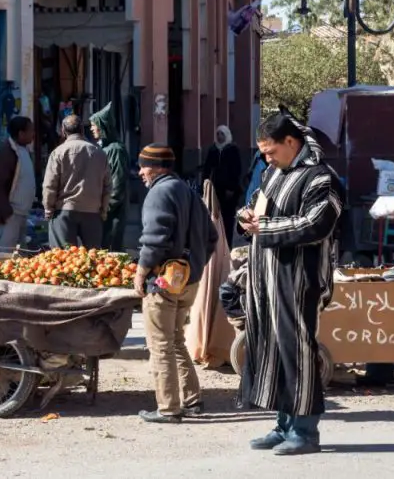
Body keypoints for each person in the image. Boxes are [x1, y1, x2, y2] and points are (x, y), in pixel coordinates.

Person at [238, 109, 343, 456]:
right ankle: (283, 424)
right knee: (275, 349)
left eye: (270, 151)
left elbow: (317, 225)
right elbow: (256, 203)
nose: (266, 158)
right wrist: (247, 216)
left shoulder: (320, 178)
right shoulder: (274, 173)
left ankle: (305, 431)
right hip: (268, 278)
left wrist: (264, 229)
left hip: (300, 280)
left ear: (291, 142)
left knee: (298, 351)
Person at [134, 144, 219, 423]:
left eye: (143, 167)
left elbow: (155, 239)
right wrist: (193, 268)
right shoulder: (186, 190)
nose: (140, 173)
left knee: (160, 345)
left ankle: (168, 408)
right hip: (188, 283)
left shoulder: (159, 192)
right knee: (176, 342)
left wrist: (141, 272)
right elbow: (211, 237)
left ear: (157, 168)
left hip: (163, 283)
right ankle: (192, 399)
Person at [42, 114, 110, 250]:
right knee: (94, 260)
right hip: (92, 213)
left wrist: (48, 208)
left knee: (63, 260)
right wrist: (103, 210)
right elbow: (107, 185)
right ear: (82, 130)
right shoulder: (100, 153)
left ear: (63, 131)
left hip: (64, 212)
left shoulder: (58, 152)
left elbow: (50, 185)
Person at [0, 116, 36, 251]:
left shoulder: (24, 150)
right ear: (21, 133)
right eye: (30, 131)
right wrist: (7, 212)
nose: (33, 134)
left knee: (21, 254)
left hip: (21, 214)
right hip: (11, 215)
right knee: (5, 255)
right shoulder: (7, 153)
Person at [90, 102, 130, 251]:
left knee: (112, 249)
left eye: (94, 125)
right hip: (105, 208)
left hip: (113, 210)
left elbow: (117, 183)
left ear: (102, 127)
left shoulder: (116, 150)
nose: (92, 128)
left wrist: (107, 207)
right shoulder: (105, 148)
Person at [202, 125, 243, 235]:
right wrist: (204, 185)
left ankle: (227, 244)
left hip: (229, 190)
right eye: (218, 134)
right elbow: (207, 168)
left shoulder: (232, 149)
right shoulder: (213, 149)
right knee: (214, 215)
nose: (219, 136)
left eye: (222, 134)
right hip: (215, 188)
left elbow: (236, 170)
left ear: (227, 135)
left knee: (227, 218)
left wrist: (232, 188)